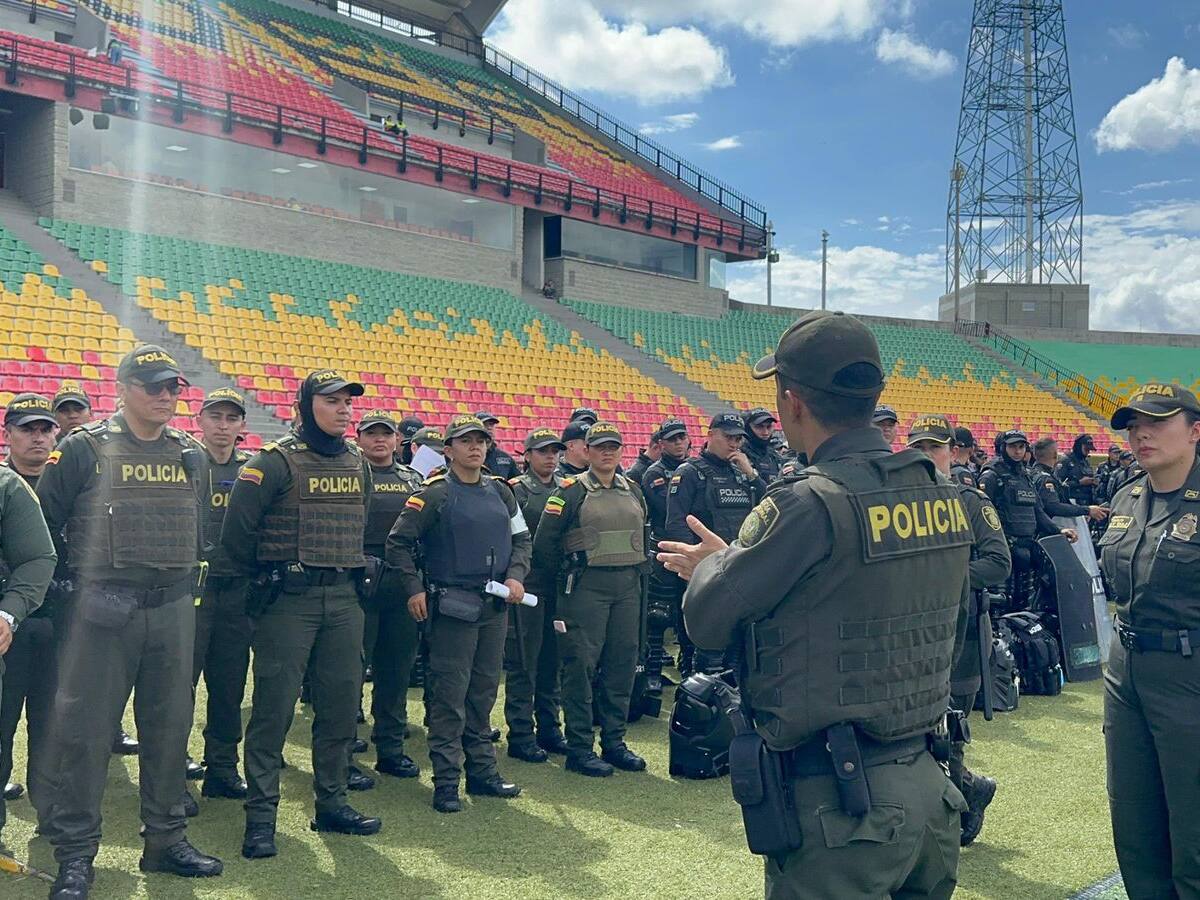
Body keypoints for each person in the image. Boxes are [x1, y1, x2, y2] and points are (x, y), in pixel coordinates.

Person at [660, 310, 972, 898]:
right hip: (930, 785)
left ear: (793, 401)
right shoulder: (939, 489)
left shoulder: (807, 501)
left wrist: (711, 568)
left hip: (843, 808)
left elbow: (708, 623)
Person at [36, 345, 223, 896]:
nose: (166, 396)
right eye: (153, 386)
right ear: (124, 388)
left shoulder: (191, 454)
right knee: (87, 735)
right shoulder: (81, 450)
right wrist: (66, 592)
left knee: (168, 730)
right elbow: (43, 527)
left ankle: (165, 840)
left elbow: (199, 528)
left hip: (170, 609)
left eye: (173, 388)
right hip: (101, 614)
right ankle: (76, 853)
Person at [222, 370, 380, 861]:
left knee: (338, 710)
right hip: (288, 602)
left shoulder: (358, 463)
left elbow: (361, 521)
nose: (343, 410)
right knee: (273, 712)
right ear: (306, 405)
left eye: (347, 402)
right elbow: (237, 535)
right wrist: (268, 582)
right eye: (332, 401)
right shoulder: (273, 463)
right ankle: (261, 818)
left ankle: (332, 804)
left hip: (344, 600)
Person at [386, 415, 531, 813]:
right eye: (465, 441)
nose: (475, 447)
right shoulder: (434, 493)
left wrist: (517, 576)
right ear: (447, 449)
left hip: (495, 607)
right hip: (452, 607)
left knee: (483, 693)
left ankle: (483, 774)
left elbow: (522, 540)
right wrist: (413, 588)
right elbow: (398, 543)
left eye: (481, 441)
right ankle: (447, 781)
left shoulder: (502, 493)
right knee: (450, 696)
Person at [1098, 383, 1200, 898]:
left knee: (1194, 831)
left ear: (1195, 431)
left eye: (1158, 422)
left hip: (1190, 674)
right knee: (1135, 824)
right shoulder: (1126, 496)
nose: (1142, 433)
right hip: (1127, 671)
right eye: (1134, 424)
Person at [906, 414, 1011, 847]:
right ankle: (962, 793)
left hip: (961, 633)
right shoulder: (899, 501)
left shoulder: (971, 502)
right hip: (909, 632)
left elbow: (998, 561)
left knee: (950, 728)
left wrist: (947, 576)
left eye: (936, 447)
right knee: (914, 728)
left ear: (953, 452)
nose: (928, 455)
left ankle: (960, 801)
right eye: (920, 448)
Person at [532, 422, 647, 777]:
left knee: (621, 664)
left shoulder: (634, 491)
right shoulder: (569, 492)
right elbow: (544, 546)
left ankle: (614, 742)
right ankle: (579, 747)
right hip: (585, 587)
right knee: (580, 665)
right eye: (599, 446)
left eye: (613, 446)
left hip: (627, 586)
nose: (607, 452)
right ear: (586, 450)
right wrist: (567, 580)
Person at [51, 383, 137, 758]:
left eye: (78, 409)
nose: (71, 415)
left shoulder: (103, 454)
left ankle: (110, 730)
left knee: (103, 666)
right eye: (64, 409)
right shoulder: (57, 456)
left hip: (97, 579)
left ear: (89, 412)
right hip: (58, 579)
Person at [663, 412, 765, 674]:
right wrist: (693, 570)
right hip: (701, 572)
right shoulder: (689, 472)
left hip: (737, 569)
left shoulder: (742, 472)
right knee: (698, 649)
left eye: (738, 438)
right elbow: (676, 524)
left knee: (736, 650)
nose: (734, 444)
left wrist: (752, 474)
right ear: (710, 435)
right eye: (728, 437)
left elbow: (769, 508)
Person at [0, 395, 57, 843]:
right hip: (9, 629)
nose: (38, 437)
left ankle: (52, 812)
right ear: (9, 435)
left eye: (45, 428)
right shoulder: (7, 486)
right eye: (27, 429)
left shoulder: (67, 482)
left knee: (55, 726)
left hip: (60, 623)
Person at [191, 389, 253, 800]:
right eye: (216, 416)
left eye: (232, 418)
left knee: (229, 687)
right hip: (189, 594)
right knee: (178, 688)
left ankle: (223, 768)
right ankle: (172, 769)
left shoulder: (253, 471)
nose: (223, 425)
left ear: (242, 426)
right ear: (200, 420)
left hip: (236, 593)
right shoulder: (182, 463)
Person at [355, 411, 424, 780]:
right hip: (356, 585)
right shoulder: (347, 474)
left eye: (386, 434)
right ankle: (346, 746)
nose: (379, 440)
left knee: (395, 671)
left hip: (400, 584)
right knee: (348, 671)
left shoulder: (413, 479)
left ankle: (391, 747)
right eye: (372, 434)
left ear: (398, 440)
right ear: (359, 437)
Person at [503, 428, 568, 761]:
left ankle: (550, 729)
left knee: (551, 661)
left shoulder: (568, 488)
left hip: (558, 586)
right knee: (523, 662)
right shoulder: (514, 491)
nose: (550, 457)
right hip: (527, 586)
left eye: (555, 451)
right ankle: (520, 734)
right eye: (543, 452)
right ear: (526, 456)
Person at [979, 430, 1077, 610]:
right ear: (1003, 448)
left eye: (1021, 447)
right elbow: (981, 514)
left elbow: (1038, 511)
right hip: (1003, 551)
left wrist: (1058, 530)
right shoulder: (992, 474)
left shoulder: (1026, 476)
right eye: (1012, 447)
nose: (1017, 451)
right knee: (999, 603)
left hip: (1027, 547)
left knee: (1025, 603)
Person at [1031, 438, 1109, 524]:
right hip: (1050, 525)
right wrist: (1087, 510)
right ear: (1055, 454)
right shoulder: (1046, 478)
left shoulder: (1032, 473)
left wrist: (1082, 512)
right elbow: (1054, 507)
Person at [1055, 434, 1098, 506]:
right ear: (1079, 446)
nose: (1088, 452)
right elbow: (1058, 485)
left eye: (1089, 450)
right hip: (1071, 502)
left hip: (1087, 502)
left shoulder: (1085, 462)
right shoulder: (1065, 461)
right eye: (1086, 449)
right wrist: (1079, 482)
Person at [742, 407, 783, 483]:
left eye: (769, 427)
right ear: (747, 428)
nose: (766, 432)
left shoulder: (775, 456)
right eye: (759, 427)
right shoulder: (740, 455)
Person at [475, 411, 518, 479]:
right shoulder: (467, 455)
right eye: (484, 424)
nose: (489, 428)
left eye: (491, 424)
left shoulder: (506, 458)